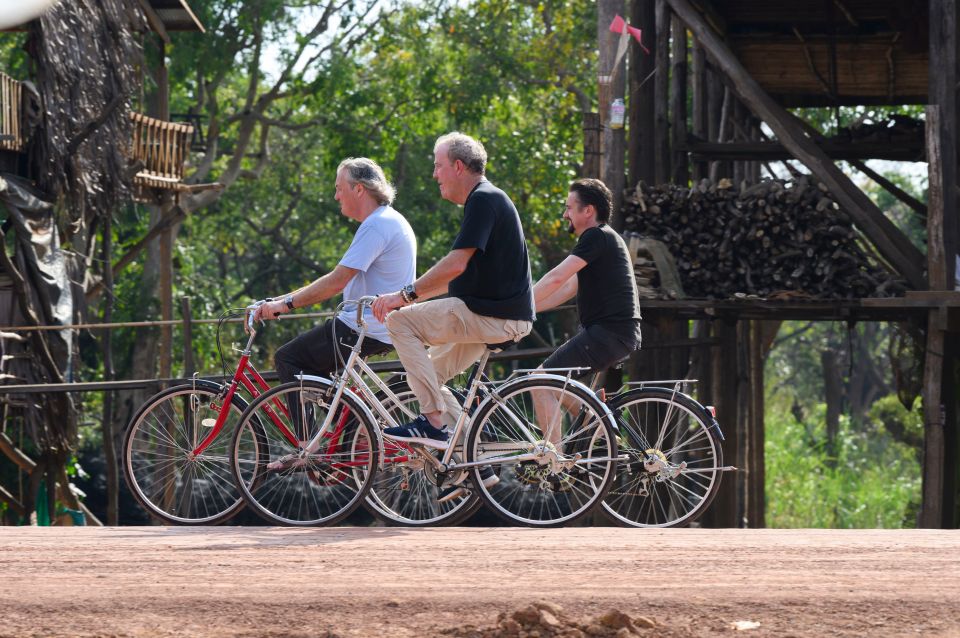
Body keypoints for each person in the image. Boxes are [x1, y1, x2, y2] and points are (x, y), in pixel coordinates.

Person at [371, 132, 534, 455]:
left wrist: (401, 298)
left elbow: (454, 265)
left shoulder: (483, 199)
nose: (434, 175)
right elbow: (453, 277)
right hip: (495, 317)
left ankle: (431, 423)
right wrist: (408, 294)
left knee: (400, 323)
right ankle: (473, 459)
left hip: (493, 318)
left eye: (438, 166)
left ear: (458, 166)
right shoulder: (487, 199)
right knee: (430, 375)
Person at [253, 157, 416, 386]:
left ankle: (310, 424)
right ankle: (348, 420)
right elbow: (335, 277)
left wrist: (284, 306)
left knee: (288, 358)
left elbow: (336, 282)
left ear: (358, 189)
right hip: (379, 326)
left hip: (363, 327)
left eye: (339, 189)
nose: (336, 196)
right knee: (324, 383)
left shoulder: (376, 225)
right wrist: (276, 301)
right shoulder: (388, 219)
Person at [531, 178, 642, 442]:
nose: (565, 214)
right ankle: (601, 427)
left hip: (609, 333)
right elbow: (567, 287)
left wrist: (517, 303)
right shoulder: (602, 241)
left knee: (540, 380)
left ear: (588, 211)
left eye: (569, 208)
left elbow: (556, 277)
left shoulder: (596, 236)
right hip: (613, 334)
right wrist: (528, 310)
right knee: (556, 382)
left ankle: (553, 461)